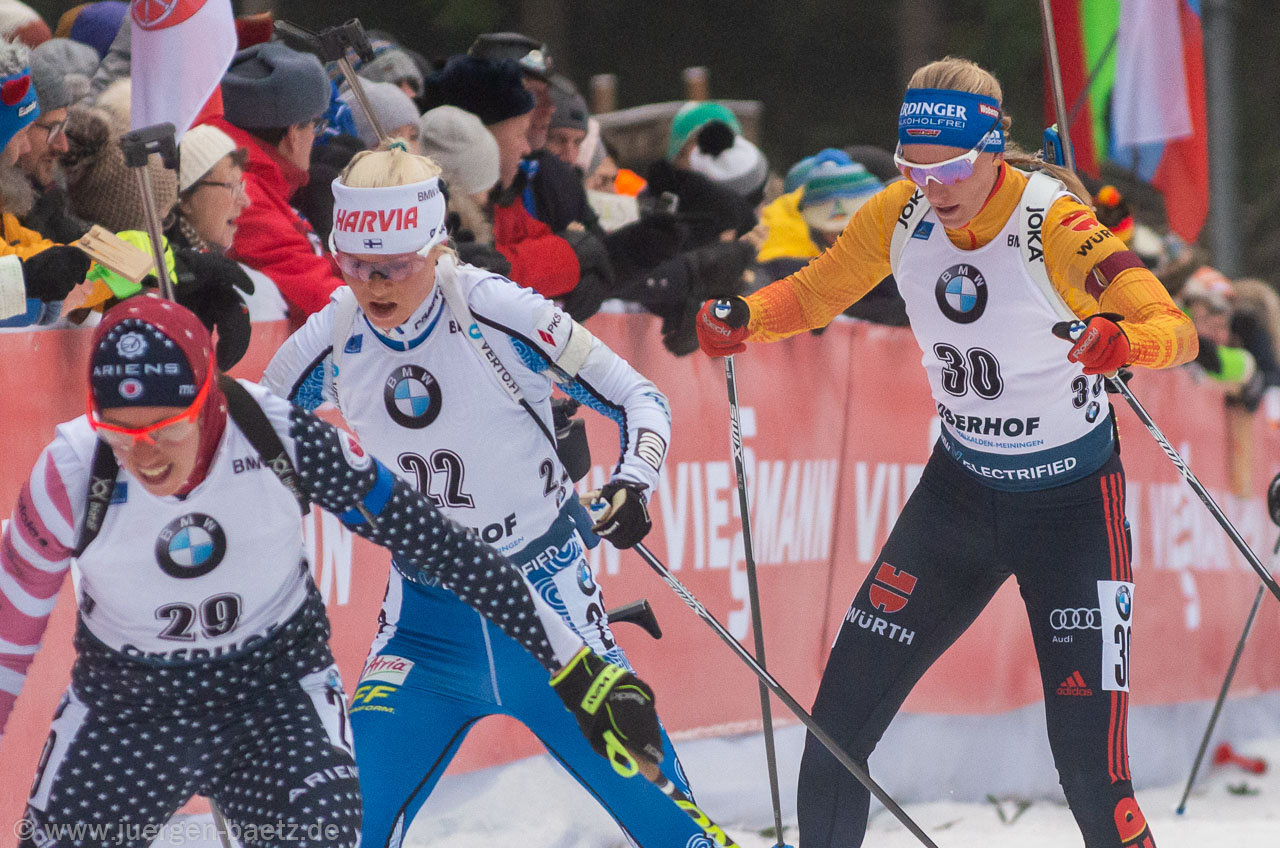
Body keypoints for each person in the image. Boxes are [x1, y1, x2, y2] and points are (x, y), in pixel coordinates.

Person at [697, 56, 1197, 848]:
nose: (934, 187)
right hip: (958, 500)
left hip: (1072, 513)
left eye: (952, 168)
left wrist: (1123, 340)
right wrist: (744, 316)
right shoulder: (899, 214)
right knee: (833, 738)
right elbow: (817, 291)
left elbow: (1175, 328)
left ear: (993, 149)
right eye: (914, 168)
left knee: (1094, 778)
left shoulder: (1056, 225)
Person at [2, 294, 659, 847]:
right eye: (121, 432)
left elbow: (445, 548)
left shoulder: (279, 436)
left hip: (272, 694)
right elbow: (8, 635)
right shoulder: (70, 472)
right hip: (130, 703)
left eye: (166, 429)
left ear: (207, 400)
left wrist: (579, 667)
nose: (144, 456)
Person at [262, 146, 708, 848]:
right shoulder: (336, 334)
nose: (373, 285)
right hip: (426, 630)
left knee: (677, 833)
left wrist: (633, 483)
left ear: (435, 248)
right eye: (354, 264)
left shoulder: (493, 312)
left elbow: (638, 398)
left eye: (395, 266)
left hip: (551, 616)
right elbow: (251, 442)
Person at [210, 42, 345, 321]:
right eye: (316, 125)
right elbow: (316, 294)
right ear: (293, 132)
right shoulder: (243, 195)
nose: (316, 137)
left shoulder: (252, 180)